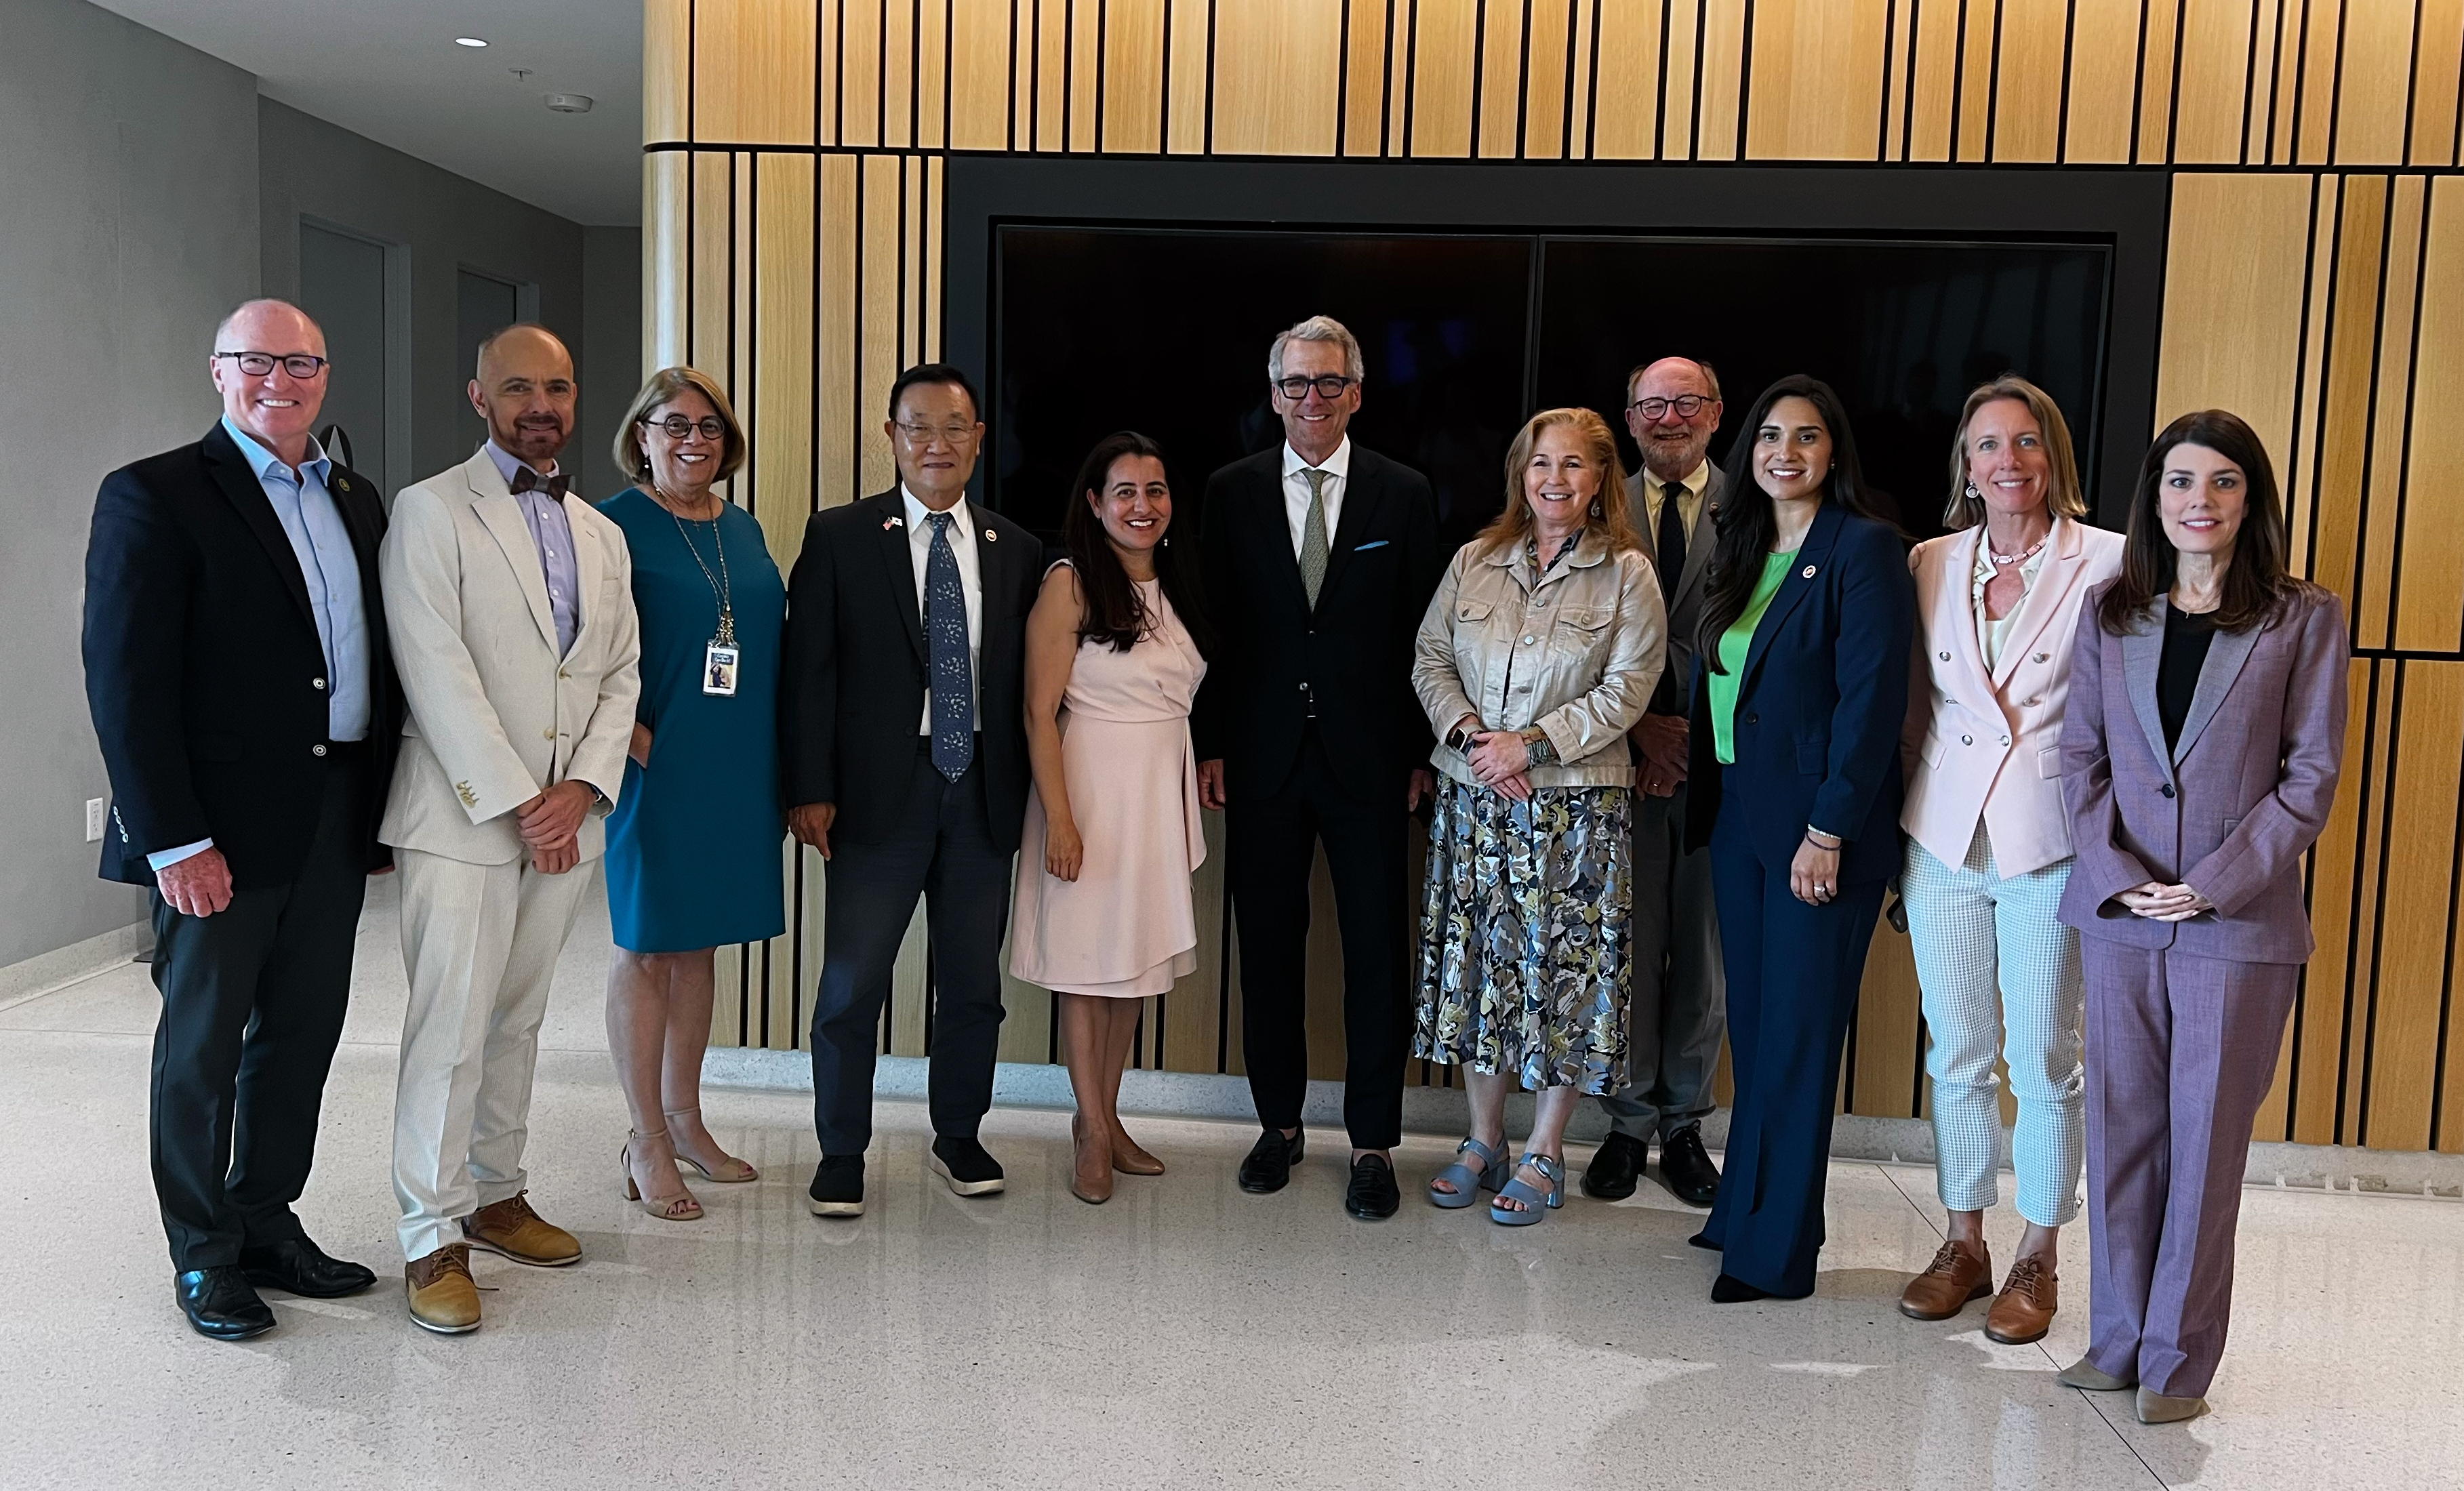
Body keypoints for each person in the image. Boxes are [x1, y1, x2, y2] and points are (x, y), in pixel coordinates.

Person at [81, 300, 400, 1341]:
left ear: (325, 373)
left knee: (302, 1034)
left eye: (301, 361)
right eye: (257, 360)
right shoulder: (156, 494)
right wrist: (173, 837)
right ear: (217, 370)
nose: (281, 379)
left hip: (335, 808)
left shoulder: (356, 497)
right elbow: (126, 682)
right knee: (203, 1046)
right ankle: (203, 1254)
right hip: (214, 829)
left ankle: (267, 1219)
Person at [2053, 410, 2346, 1425]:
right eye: (2180, 482)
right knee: (2122, 1131)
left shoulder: (2300, 617)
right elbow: (2077, 760)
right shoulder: (2109, 610)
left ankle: (2175, 1362)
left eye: (2222, 482)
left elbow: (2308, 776)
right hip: (2121, 914)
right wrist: (2116, 871)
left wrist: (2215, 881)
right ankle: (2115, 1338)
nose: (2199, 501)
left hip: (2237, 924)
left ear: (2249, 499)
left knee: (2203, 1142)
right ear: (2153, 498)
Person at [380, 323, 641, 1333]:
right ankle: (429, 1234)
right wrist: (521, 800)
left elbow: (616, 673)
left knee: (519, 1017)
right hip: (463, 816)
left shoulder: (602, 532)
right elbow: (433, 667)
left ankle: (495, 1192)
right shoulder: (430, 511)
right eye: (520, 387)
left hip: (569, 819)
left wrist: (579, 789)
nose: (543, 405)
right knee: (450, 1026)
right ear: (478, 396)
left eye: (561, 388)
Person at [1193, 314, 1442, 1221]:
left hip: (1371, 762)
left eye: (1329, 383)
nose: (1312, 400)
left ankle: (1372, 1140)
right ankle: (1279, 1125)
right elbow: (1210, 627)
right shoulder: (1227, 491)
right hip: (1258, 758)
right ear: (1272, 395)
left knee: (1376, 951)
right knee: (1266, 949)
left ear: (1357, 394)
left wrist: (1419, 753)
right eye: (1296, 384)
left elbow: (1425, 634)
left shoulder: (1401, 492)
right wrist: (1209, 743)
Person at [1895, 376, 2124, 1342]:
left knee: (2041, 1057)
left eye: (2024, 443)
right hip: (1943, 833)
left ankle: (2036, 1253)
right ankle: (1962, 1239)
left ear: (2052, 457)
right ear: (1966, 464)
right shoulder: (1929, 560)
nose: (2006, 462)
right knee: (1956, 1052)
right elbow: (1913, 702)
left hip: (2047, 836)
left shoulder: (2109, 561)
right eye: (1986, 445)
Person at [784, 364, 1040, 1217]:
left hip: (980, 795)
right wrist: (808, 787)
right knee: (853, 983)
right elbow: (807, 672)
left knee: (973, 983)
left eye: (954, 427)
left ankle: (958, 1134)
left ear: (976, 437)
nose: (937, 443)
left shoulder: (1017, 549)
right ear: (890, 436)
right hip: (874, 798)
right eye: (918, 427)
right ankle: (840, 1149)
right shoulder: (840, 535)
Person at [1682, 375, 1912, 1303]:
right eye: (1769, 435)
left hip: (1818, 830)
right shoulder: (1738, 547)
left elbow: (1869, 702)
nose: (1784, 452)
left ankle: (1775, 1256)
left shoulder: (1862, 549)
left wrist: (1826, 829)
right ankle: (1743, 1211)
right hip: (1741, 816)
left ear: (1833, 452)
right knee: (1755, 1025)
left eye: (1806, 436)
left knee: (1797, 1039)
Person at [1411, 408, 1664, 1224]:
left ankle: (1545, 1150)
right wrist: (1474, 740)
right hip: (1475, 796)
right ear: (1520, 475)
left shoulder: (1627, 573)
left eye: (1572, 466)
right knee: (1479, 970)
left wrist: (1530, 745)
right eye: (1537, 464)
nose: (1552, 480)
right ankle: (1481, 1138)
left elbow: (1628, 689)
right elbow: (1430, 659)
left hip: (1575, 811)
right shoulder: (1473, 561)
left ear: (1600, 482)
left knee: (1564, 974)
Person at [597, 368, 785, 1221]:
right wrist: (633, 743)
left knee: (701, 947)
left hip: (736, 765)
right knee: (646, 948)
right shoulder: (609, 524)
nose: (693, 441)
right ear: (642, 434)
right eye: (674, 425)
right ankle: (643, 1137)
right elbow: (576, 648)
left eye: (708, 427)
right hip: (655, 764)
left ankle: (686, 1120)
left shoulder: (739, 526)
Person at [1009, 432, 1211, 1204]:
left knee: (1131, 968)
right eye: (1123, 491)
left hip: (1156, 792)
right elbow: (1036, 711)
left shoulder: (1177, 582)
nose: (1141, 505)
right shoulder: (1069, 582)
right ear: (1094, 505)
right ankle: (1089, 1127)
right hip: (1088, 789)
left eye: (1154, 490)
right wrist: (1060, 821)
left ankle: (1112, 1115)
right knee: (1087, 971)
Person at [1586, 356, 1729, 1208]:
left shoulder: (1753, 505)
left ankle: (1683, 1125)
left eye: (1684, 402)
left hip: (1720, 769)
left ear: (1715, 413)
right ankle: (1624, 1122)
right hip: (1616, 762)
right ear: (1629, 418)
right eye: (1650, 404)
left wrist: (1691, 738)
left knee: (1702, 957)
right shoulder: (1593, 509)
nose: (1667, 417)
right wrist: (1639, 726)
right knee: (1627, 949)